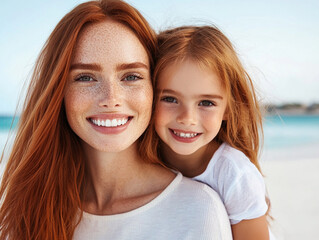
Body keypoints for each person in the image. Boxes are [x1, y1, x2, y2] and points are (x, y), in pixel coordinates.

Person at [0, 1, 232, 239]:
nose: (111, 99)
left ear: (155, 87)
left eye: (131, 76)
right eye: (85, 78)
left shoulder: (200, 211)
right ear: (58, 91)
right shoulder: (29, 210)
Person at [150, 25, 274, 239]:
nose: (187, 118)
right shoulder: (142, 157)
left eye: (206, 102)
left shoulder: (235, 176)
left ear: (228, 109)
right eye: (169, 99)